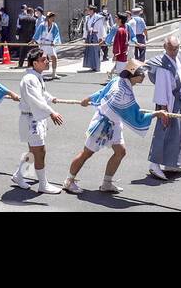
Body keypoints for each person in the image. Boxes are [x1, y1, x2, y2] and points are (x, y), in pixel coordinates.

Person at [63, 60, 165, 194]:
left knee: (120, 151)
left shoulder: (118, 80)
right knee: (87, 153)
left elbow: (102, 91)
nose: (144, 76)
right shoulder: (123, 94)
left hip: (113, 124)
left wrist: (88, 99)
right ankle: (69, 181)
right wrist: (156, 114)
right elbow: (137, 117)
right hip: (102, 125)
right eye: (142, 74)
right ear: (134, 75)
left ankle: (106, 183)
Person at [11, 48, 65, 193]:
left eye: (46, 59)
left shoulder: (35, 76)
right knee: (40, 151)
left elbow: (41, 93)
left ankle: (18, 175)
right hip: (31, 120)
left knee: (34, 152)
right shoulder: (29, 79)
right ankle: (43, 184)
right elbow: (36, 99)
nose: (47, 61)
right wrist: (52, 112)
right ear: (35, 63)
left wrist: (51, 98)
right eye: (43, 60)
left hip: (33, 118)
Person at [147, 37, 181, 181]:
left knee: (177, 133)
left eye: (176, 48)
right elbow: (161, 89)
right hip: (167, 102)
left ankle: (172, 163)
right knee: (163, 131)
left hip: (178, 99)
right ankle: (154, 164)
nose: (174, 51)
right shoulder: (162, 65)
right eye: (171, 48)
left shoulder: (178, 58)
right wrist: (164, 109)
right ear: (165, 47)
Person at [34, 12, 62, 80]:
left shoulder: (54, 25)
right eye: (51, 17)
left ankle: (54, 73)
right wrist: (33, 40)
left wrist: (54, 42)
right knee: (42, 59)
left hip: (50, 44)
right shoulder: (42, 25)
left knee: (54, 57)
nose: (53, 18)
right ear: (48, 18)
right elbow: (37, 33)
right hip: (43, 44)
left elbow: (56, 35)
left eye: (53, 17)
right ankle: (41, 74)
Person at [81, 6, 104, 72]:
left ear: (92, 10)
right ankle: (91, 65)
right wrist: (84, 37)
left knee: (96, 51)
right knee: (89, 50)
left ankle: (97, 66)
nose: (87, 11)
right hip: (89, 35)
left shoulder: (98, 17)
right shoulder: (87, 18)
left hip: (96, 35)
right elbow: (85, 28)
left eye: (88, 10)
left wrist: (100, 37)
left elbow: (101, 28)